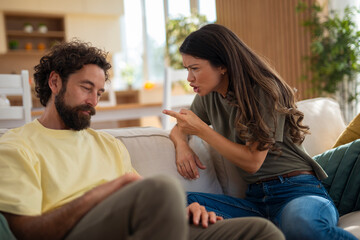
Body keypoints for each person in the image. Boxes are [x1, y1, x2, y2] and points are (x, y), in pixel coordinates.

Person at [0, 40, 285, 240]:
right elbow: (26, 232)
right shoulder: (16, 146)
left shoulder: (107, 145)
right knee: (161, 189)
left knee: (260, 232)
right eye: (86, 88)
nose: (93, 102)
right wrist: (105, 192)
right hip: (80, 232)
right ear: (55, 83)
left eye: (99, 93)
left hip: (142, 229)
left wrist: (183, 210)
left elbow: (148, 198)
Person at [163, 24, 358, 240]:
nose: (189, 78)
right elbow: (179, 127)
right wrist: (182, 145)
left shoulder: (264, 90)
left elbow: (252, 161)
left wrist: (201, 130)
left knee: (302, 226)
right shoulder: (208, 96)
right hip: (256, 202)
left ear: (222, 66)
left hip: (297, 190)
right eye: (186, 69)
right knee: (175, 203)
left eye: (195, 68)